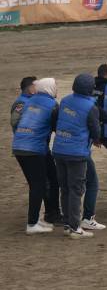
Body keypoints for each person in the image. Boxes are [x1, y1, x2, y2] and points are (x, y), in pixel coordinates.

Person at [53, 74, 107, 238]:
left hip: (59, 149)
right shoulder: (91, 107)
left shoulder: (65, 100)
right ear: (90, 89)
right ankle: (75, 227)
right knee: (76, 189)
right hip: (76, 152)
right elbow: (96, 130)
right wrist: (96, 139)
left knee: (65, 188)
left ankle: (68, 224)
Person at [12, 77, 60, 234]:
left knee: (50, 178)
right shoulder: (52, 105)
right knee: (38, 185)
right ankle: (32, 224)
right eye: (55, 86)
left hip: (20, 146)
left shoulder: (31, 102)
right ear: (48, 88)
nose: (57, 89)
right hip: (33, 148)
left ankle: (49, 215)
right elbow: (57, 127)